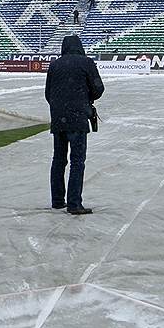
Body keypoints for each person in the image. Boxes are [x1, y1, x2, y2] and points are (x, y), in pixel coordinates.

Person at [44, 35, 104, 215]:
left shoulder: (55, 64)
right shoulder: (86, 63)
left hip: (58, 119)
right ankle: (74, 203)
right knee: (77, 162)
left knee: (59, 160)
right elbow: (98, 89)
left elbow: (48, 93)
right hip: (78, 118)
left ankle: (57, 200)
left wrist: (60, 107)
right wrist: (86, 99)